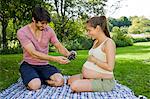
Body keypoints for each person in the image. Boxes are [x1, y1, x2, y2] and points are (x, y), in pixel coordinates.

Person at [17, 6, 74, 90]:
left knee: (60, 81)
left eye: (46, 23)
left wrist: (68, 54)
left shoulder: (49, 30)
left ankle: (41, 79)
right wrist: (55, 59)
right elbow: (33, 53)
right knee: (35, 86)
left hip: (44, 65)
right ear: (34, 19)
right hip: (28, 65)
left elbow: (57, 44)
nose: (45, 26)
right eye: (42, 23)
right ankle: (33, 79)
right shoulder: (22, 32)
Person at [68, 16, 116, 92]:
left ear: (98, 28)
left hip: (104, 81)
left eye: (89, 30)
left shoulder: (108, 43)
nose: (88, 33)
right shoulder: (96, 42)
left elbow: (110, 67)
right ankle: (90, 79)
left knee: (74, 86)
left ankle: (92, 80)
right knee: (70, 80)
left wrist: (95, 60)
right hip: (91, 77)